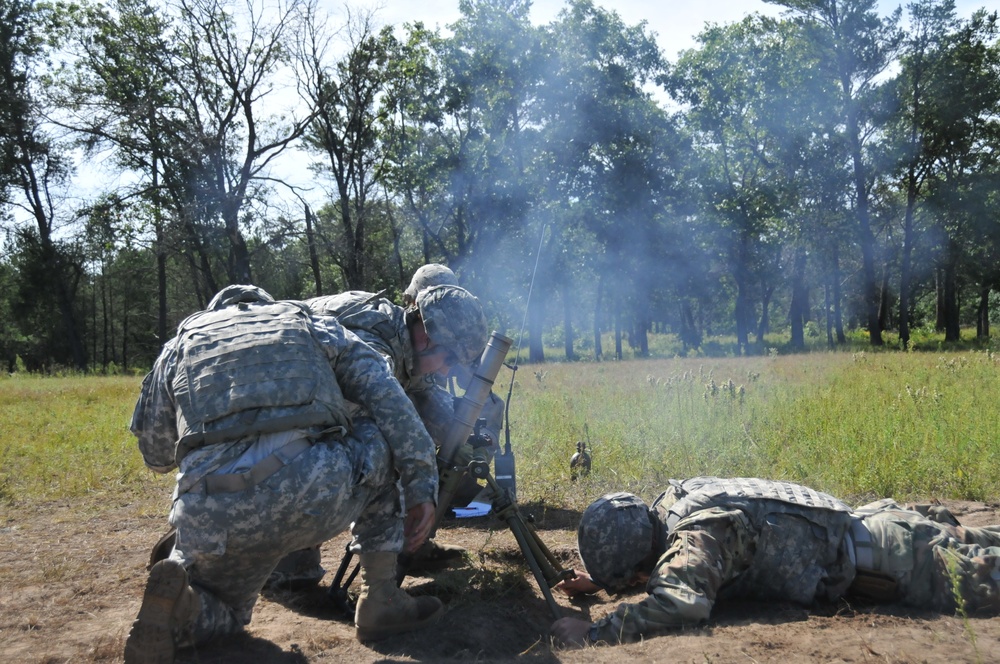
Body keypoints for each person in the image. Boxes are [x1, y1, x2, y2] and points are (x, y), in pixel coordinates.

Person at [124, 285, 444, 664]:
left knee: (228, 613)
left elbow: (157, 456)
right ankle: (381, 598)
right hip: (313, 494)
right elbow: (392, 404)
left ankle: (188, 606)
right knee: (376, 432)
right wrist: (422, 485)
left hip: (213, 516)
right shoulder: (312, 324)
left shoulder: (182, 343)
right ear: (269, 308)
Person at [552, 477, 1000, 648]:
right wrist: (604, 578)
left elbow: (682, 603)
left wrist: (595, 631)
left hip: (897, 561)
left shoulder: (697, 539)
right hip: (880, 524)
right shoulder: (676, 502)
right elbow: (667, 562)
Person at [307, 283, 503, 565]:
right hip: (280, 424)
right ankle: (307, 562)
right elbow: (385, 413)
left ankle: (407, 544)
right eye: (448, 357)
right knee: (384, 446)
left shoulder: (409, 343)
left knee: (437, 433)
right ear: (426, 334)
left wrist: (462, 439)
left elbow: (425, 399)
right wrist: (421, 478)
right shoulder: (372, 343)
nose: (448, 369)